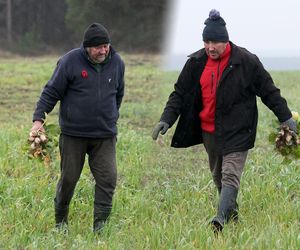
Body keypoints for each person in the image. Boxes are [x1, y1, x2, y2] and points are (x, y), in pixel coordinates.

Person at [152, 9, 297, 232]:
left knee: (230, 173)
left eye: (216, 42)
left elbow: (269, 91)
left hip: (239, 129)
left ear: (226, 41)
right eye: (207, 41)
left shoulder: (246, 61)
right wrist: (166, 119)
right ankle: (232, 213)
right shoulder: (196, 62)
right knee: (218, 176)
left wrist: (286, 117)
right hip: (209, 130)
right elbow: (179, 94)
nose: (210, 47)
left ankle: (220, 219)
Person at [30, 23, 125, 233]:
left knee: (108, 179)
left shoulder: (117, 62)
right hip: (74, 135)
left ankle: (100, 227)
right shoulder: (70, 61)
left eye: (106, 45)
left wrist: (111, 116)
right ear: (87, 48)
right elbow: (51, 92)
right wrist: (38, 121)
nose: (103, 51)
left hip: (104, 135)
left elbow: (118, 94)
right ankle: (60, 222)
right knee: (69, 179)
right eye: (98, 47)